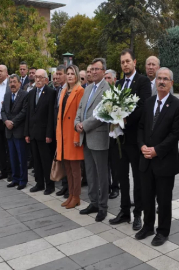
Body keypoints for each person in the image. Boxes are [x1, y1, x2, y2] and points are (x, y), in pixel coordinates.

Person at [136, 67, 179, 246]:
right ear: (155, 81)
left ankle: (162, 231)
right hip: (146, 160)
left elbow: (174, 135)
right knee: (147, 196)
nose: (162, 81)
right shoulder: (148, 103)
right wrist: (142, 146)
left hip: (164, 161)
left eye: (166, 79)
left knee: (164, 200)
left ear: (171, 83)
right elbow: (141, 127)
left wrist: (156, 150)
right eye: (159, 78)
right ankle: (148, 226)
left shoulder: (178, 106)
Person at [109, 49, 151, 231]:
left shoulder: (142, 82)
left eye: (127, 61)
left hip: (135, 138)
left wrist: (125, 119)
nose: (125, 64)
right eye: (122, 62)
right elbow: (111, 105)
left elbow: (143, 107)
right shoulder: (117, 83)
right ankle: (124, 210)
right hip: (119, 139)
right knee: (121, 177)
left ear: (134, 62)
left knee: (137, 177)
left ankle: (138, 215)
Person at [75, 58, 110, 222]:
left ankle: (103, 206)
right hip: (86, 137)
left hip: (98, 136)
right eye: (92, 69)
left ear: (104, 71)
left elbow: (103, 114)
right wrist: (77, 123)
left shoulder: (107, 89)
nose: (94, 72)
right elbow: (80, 108)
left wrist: (84, 125)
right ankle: (93, 202)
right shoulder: (87, 88)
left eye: (97, 69)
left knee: (101, 174)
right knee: (90, 172)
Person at [56, 65, 85, 208]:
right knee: (67, 167)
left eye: (72, 73)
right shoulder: (64, 91)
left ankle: (76, 196)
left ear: (77, 75)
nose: (69, 76)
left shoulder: (80, 91)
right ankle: (71, 195)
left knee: (75, 169)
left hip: (73, 134)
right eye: (68, 73)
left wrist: (76, 137)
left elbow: (80, 116)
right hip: (63, 134)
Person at [25, 69, 56, 195]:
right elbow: (28, 114)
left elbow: (50, 116)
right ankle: (39, 183)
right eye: (36, 77)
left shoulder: (51, 93)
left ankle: (50, 185)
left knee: (45, 160)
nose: (37, 79)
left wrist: (49, 134)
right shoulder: (31, 93)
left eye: (40, 77)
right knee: (36, 160)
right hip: (33, 133)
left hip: (44, 134)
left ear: (45, 79)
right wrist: (27, 132)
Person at [0, 74, 29, 189]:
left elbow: (24, 111)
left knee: (22, 157)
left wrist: (13, 122)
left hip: (19, 130)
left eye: (14, 82)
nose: (12, 84)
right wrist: (6, 121)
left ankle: (23, 180)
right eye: (10, 82)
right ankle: (15, 178)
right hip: (9, 131)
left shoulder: (24, 95)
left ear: (19, 83)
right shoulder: (7, 95)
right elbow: (3, 111)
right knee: (12, 157)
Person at [104, 69, 120, 199]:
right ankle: (107, 186)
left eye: (109, 78)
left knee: (115, 163)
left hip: (115, 134)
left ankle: (116, 187)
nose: (106, 80)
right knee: (105, 162)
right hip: (103, 133)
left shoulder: (118, 94)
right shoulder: (102, 94)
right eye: (105, 78)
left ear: (114, 79)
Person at [54, 65, 69, 198]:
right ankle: (65, 185)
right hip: (59, 129)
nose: (57, 77)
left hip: (67, 131)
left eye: (60, 74)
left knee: (68, 161)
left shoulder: (68, 90)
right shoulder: (59, 89)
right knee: (62, 159)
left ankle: (69, 187)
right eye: (56, 74)